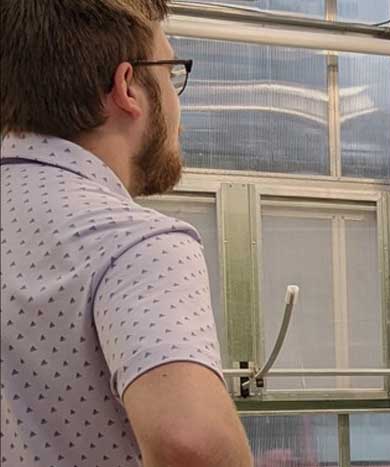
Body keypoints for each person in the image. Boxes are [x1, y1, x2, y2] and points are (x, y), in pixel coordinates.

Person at [0, 1, 253, 466]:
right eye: (172, 74)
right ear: (127, 87)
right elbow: (192, 445)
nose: (179, 105)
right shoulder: (133, 242)